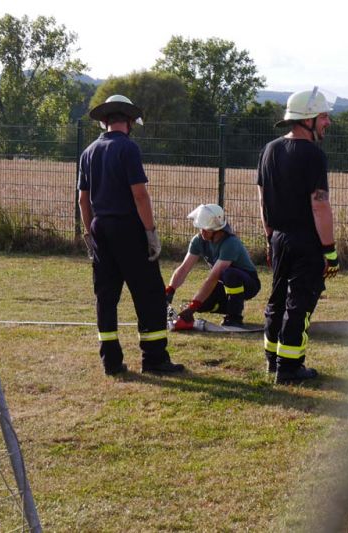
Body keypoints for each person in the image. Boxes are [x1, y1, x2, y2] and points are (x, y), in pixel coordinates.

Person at [78, 94, 184, 376]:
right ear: (129, 121)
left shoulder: (88, 152)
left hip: (100, 227)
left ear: (104, 121)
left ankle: (111, 361)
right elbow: (140, 195)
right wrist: (150, 232)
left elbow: (83, 200)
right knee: (149, 294)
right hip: (128, 228)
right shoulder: (128, 148)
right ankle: (154, 359)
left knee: (106, 296)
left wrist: (89, 234)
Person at [257, 87, 340, 384]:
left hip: (278, 237)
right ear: (308, 119)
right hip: (306, 241)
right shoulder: (314, 155)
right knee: (299, 304)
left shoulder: (269, 149)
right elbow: (319, 205)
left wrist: (270, 239)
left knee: (277, 300)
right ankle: (290, 367)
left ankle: (272, 359)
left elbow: (263, 199)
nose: (328, 122)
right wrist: (330, 250)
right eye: (324, 116)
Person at [166, 204, 261, 329]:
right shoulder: (198, 240)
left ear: (217, 229)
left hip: (248, 283)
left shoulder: (231, 243)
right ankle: (231, 305)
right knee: (202, 305)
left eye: (206, 229)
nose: (202, 232)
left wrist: (193, 307)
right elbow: (184, 268)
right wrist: (169, 291)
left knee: (229, 274)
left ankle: (234, 317)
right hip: (223, 283)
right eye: (201, 228)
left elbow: (213, 277)